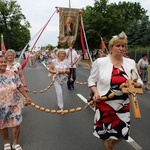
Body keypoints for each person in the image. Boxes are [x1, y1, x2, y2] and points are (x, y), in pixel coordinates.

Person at [88, 31, 143, 150]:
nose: (121, 48)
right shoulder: (101, 62)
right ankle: (108, 147)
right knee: (105, 132)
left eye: (123, 46)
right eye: (118, 46)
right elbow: (91, 81)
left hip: (123, 103)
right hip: (104, 102)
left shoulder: (130, 63)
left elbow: (140, 82)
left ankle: (111, 145)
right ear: (111, 48)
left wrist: (135, 83)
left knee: (123, 131)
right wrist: (96, 92)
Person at [0, 53, 31, 150]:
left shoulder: (12, 74)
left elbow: (19, 86)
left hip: (14, 103)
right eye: (1, 62)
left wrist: (26, 96)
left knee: (16, 124)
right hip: (1, 106)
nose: (3, 64)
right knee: (2, 125)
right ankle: (6, 142)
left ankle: (15, 143)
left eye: (4, 62)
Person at [49, 49, 70, 113]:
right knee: (59, 92)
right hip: (56, 79)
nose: (63, 55)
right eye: (61, 53)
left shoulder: (66, 61)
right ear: (58, 54)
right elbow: (50, 70)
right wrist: (57, 71)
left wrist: (66, 71)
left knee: (61, 93)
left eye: (64, 54)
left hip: (64, 79)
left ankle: (59, 101)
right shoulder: (54, 61)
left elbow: (68, 71)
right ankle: (61, 107)